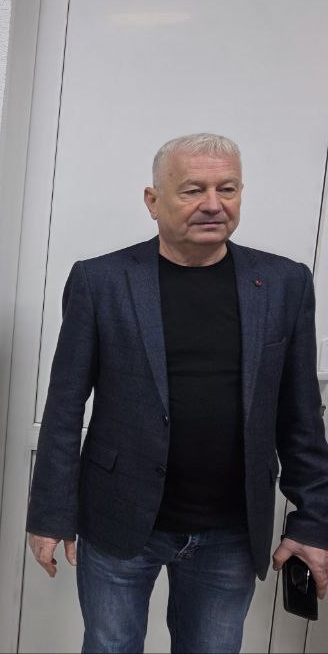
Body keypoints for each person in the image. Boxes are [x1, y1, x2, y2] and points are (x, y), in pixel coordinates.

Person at [26, 133, 328, 652]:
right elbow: (64, 407)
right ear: (153, 200)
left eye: (227, 188)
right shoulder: (102, 281)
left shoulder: (285, 283)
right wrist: (51, 514)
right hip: (120, 520)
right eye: (193, 190)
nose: (213, 204)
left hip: (231, 531)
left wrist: (315, 520)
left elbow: (301, 416)